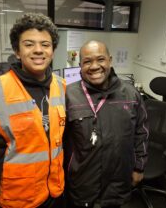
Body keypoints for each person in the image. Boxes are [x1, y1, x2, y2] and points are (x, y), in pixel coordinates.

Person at [0, 13, 66, 208]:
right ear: (17, 51)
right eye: (29, 44)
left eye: (45, 44)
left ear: (53, 50)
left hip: (54, 193)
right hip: (18, 199)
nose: (38, 50)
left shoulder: (61, 86)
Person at [64, 40, 149, 208]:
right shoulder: (68, 95)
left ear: (110, 60)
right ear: (80, 65)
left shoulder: (131, 94)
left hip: (119, 182)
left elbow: (142, 132)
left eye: (100, 59)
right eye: (87, 61)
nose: (94, 66)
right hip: (83, 181)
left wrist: (139, 167)